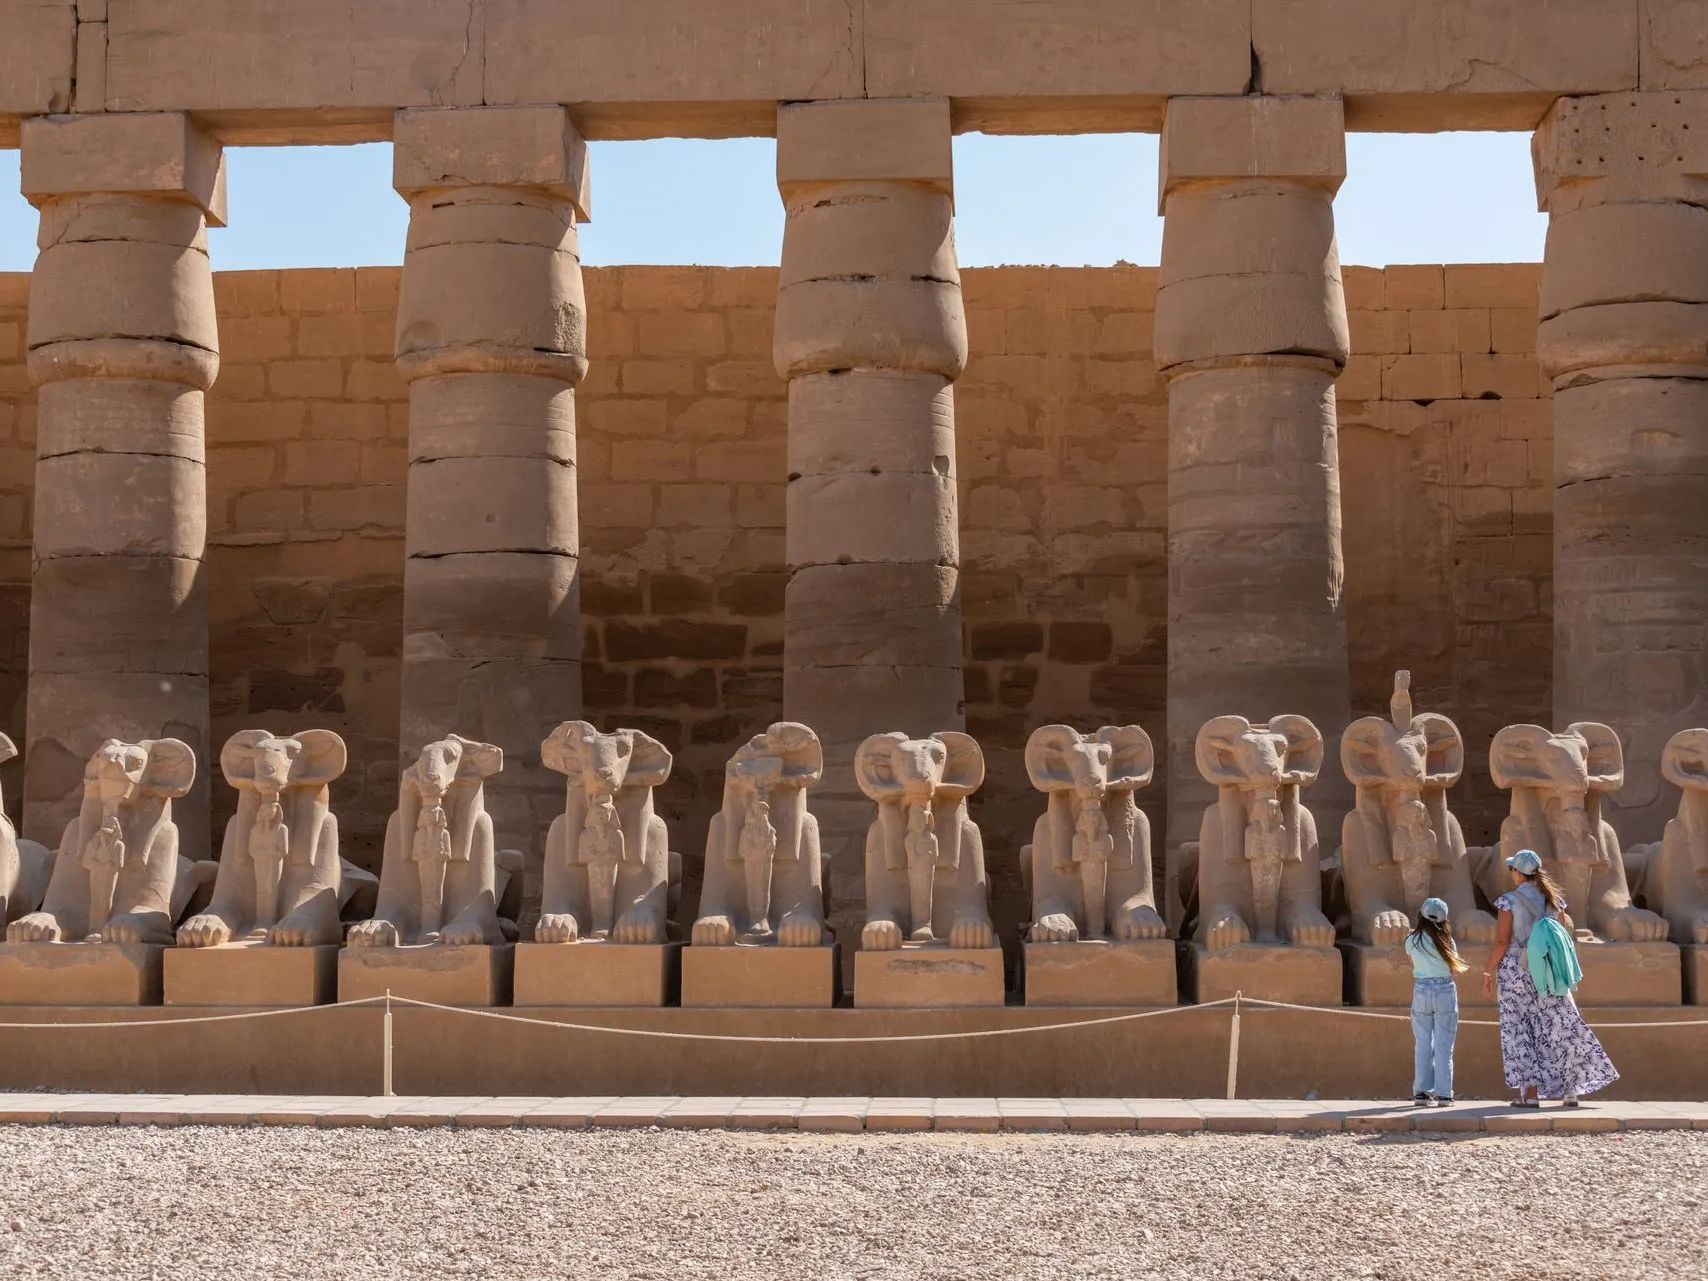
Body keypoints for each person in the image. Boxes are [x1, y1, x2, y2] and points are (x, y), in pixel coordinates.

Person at [1482, 848, 1618, 1107]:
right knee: (1560, 1027)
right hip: (1549, 970)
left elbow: (1502, 940)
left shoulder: (1508, 901)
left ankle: (1530, 1095)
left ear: (1519, 874)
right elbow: (1564, 933)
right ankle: (1570, 1090)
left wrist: (1488, 971)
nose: (1511, 874)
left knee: (1519, 1029)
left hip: (1517, 969)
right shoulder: (1555, 901)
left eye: (1513, 870)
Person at [1405, 896, 1466, 1106]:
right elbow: (1453, 968)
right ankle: (1444, 1093)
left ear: (1421, 915)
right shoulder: (1448, 942)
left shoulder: (1411, 940)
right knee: (1444, 1044)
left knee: (1422, 1043)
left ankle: (1421, 1091)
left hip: (1421, 988)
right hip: (1444, 990)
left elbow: (1412, 962)